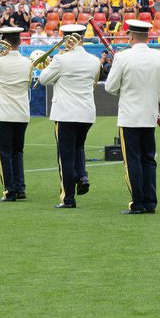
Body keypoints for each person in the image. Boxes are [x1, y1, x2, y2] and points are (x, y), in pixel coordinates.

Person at [104, 18, 160, 214]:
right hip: (149, 115)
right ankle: (150, 202)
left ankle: (137, 203)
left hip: (129, 116)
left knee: (133, 161)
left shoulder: (122, 57)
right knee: (148, 159)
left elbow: (111, 87)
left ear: (132, 36)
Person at [37, 24, 101, 209]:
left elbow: (43, 79)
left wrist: (50, 65)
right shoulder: (94, 60)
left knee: (65, 155)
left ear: (66, 38)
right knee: (78, 147)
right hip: (87, 112)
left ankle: (68, 198)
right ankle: (82, 175)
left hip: (66, 113)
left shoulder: (60, 59)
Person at [0, 26, 33, 202]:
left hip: (4, 113)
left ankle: (9, 190)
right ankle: (20, 188)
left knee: (5, 153)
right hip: (22, 112)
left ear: (4, 42)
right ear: (19, 42)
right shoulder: (27, 62)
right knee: (18, 152)